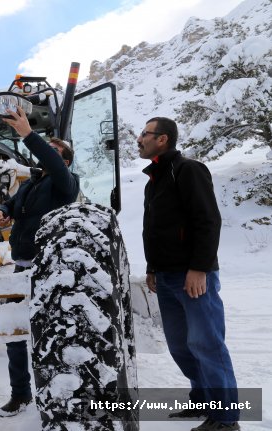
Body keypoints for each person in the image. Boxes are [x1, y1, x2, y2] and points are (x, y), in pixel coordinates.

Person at [138, 117, 239, 431]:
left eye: (145, 133)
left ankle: (226, 419)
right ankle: (202, 400)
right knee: (181, 346)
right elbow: (154, 230)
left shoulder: (188, 170)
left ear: (163, 139)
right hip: (166, 277)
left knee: (207, 344)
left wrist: (199, 268)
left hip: (191, 276)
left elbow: (208, 221)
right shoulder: (154, 179)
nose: (139, 138)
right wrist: (152, 268)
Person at [0, 106, 80, 417]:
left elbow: (54, 164)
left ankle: (59, 396)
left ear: (64, 161)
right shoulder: (31, 183)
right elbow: (13, 204)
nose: (47, 155)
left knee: (51, 334)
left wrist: (29, 135)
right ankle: (20, 394)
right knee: (15, 333)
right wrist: (3, 210)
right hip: (21, 267)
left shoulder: (66, 183)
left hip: (49, 269)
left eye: (54, 152)